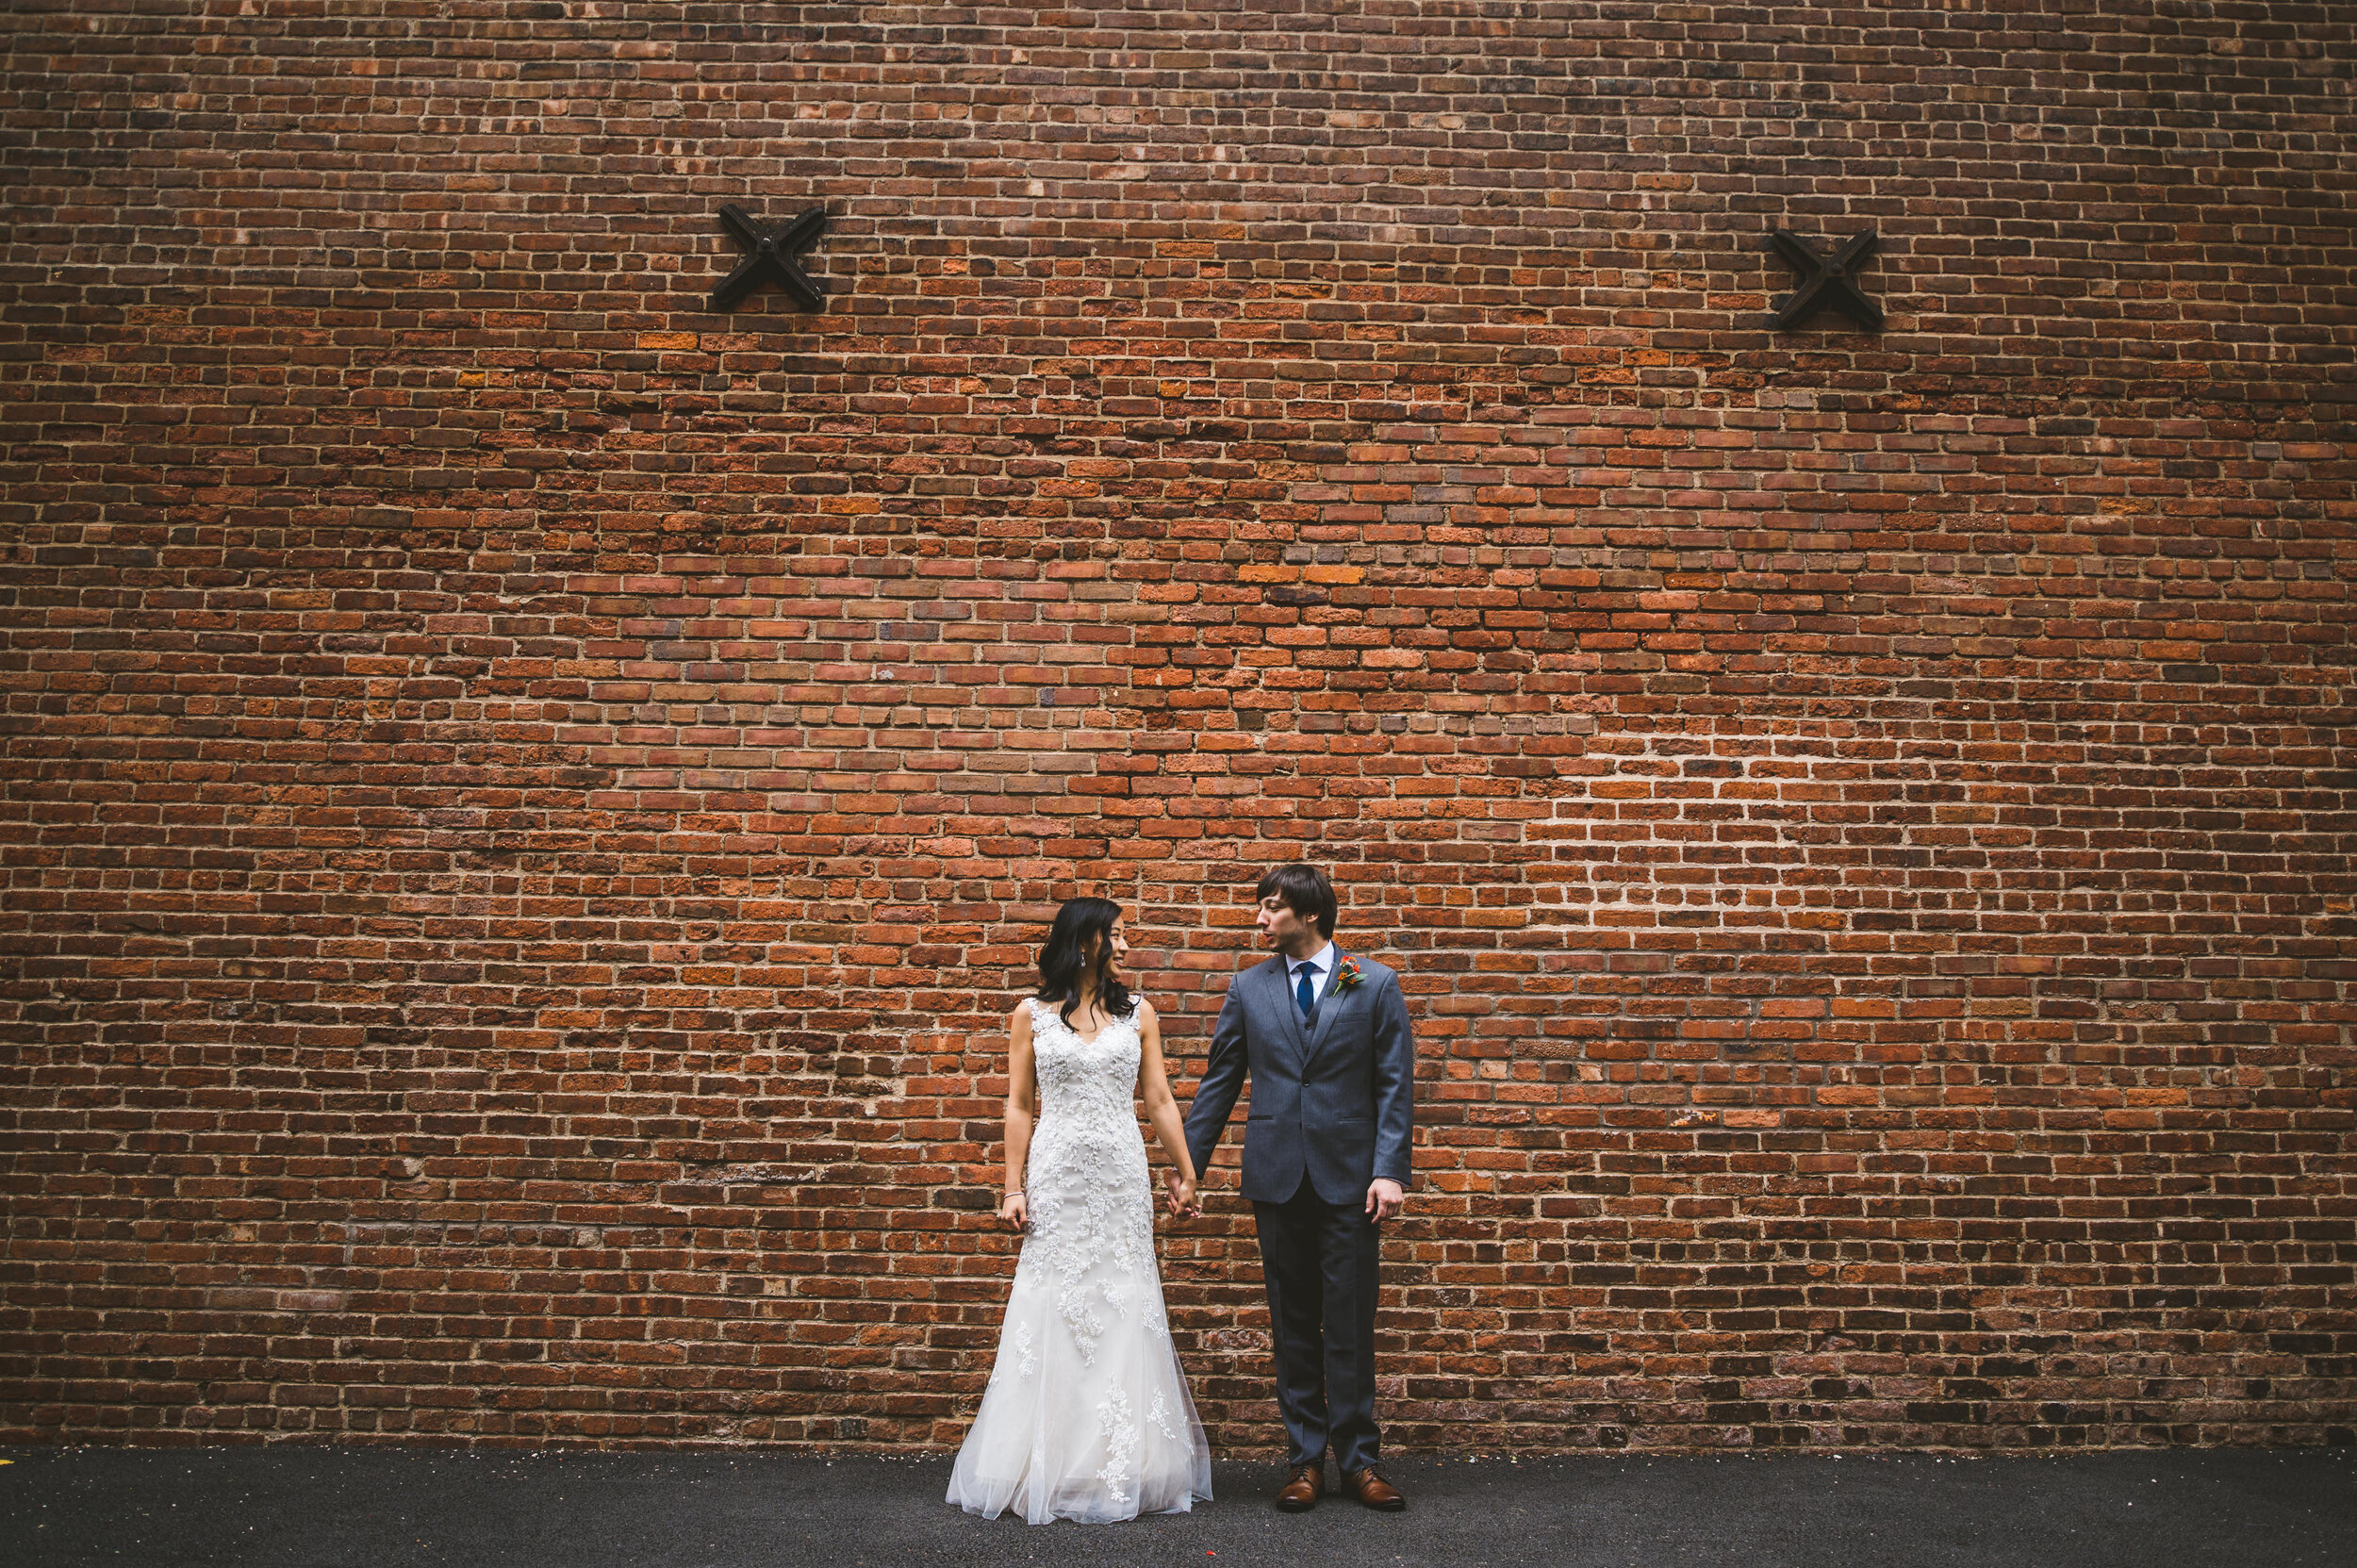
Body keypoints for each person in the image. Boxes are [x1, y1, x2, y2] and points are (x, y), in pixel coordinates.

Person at [947, 897, 1213, 1524]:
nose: (1124, 946)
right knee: (1057, 1304)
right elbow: (1018, 1105)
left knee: (1122, 1301)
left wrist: (1186, 1170)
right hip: (1059, 1175)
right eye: (1116, 935)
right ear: (1086, 940)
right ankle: (1050, 1462)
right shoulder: (1030, 1015)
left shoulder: (1139, 1012)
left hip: (1120, 1177)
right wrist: (1012, 1186)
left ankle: (1121, 1462)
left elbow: (1159, 1097)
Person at [1178, 864, 1415, 1512]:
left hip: (1351, 1181)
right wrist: (1188, 1167)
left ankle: (1360, 1461)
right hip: (1279, 1177)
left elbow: (1394, 1084)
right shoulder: (1249, 987)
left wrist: (1390, 1168)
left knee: (1349, 1324)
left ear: (1309, 914)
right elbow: (1221, 1079)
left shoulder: (1373, 982)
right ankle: (1304, 1461)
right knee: (1291, 1326)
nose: (1260, 918)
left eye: (1271, 907)